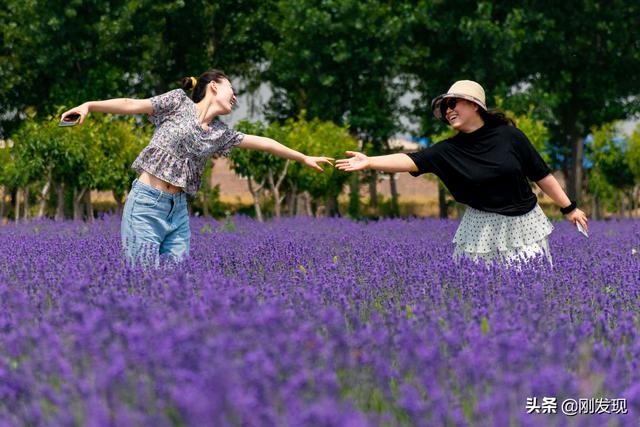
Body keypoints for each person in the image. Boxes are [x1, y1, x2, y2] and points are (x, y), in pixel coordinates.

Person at [61, 69, 333, 266]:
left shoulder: (219, 133)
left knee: (177, 286)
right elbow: (132, 104)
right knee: (144, 283)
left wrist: (302, 157)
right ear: (213, 86)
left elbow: (264, 143)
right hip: (146, 204)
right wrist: (89, 106)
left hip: (177, 211)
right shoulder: (178, 102)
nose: (235, 98)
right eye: (232, 90)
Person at [336, 80, 589, 265]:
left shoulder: (510, 136)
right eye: (445, 107)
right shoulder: (448, 151)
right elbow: (410, 159)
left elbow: (541, 175)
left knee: (530, 293)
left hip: (523, 225)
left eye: (452, 103)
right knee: (481, 295)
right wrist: (369, 161)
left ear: (474, 105)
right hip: (480, 229)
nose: (448, 110)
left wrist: (569, 208)